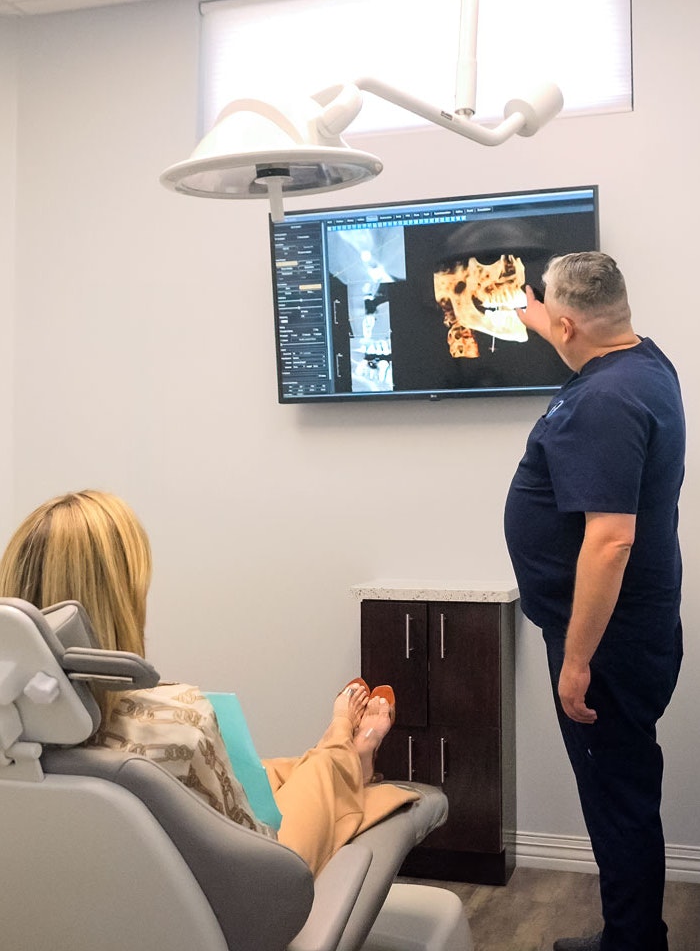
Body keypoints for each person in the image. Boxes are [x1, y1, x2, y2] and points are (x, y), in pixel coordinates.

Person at [0, 489, 418, 877]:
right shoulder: (177, 722)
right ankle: (347, 747)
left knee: (274, 771)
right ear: (121, 603)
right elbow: (255, 840)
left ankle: (339, 755)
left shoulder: (13, 742)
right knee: (318, 774)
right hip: (246, 890)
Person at [504, 252, 685, 951]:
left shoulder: (603, 401)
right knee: (622, 789)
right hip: (634, 628)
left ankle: (633, 942)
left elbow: (610, 541)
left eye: (552, 315)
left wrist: (576, 660)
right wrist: (534, 315)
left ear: (570, 325)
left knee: (617, 800)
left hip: (604, 644)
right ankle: (631, 932)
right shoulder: (644, 363)